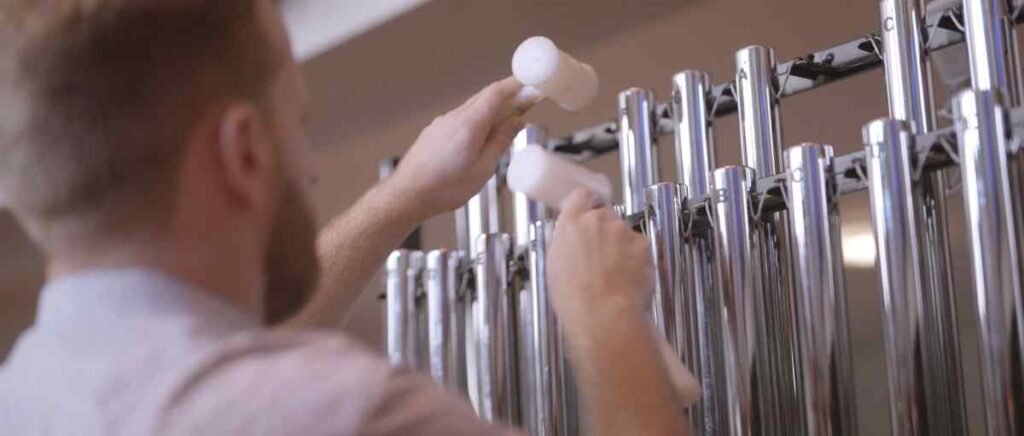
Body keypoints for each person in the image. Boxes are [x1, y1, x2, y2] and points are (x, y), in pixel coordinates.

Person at [0, 1, 690, 435]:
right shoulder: (346, 412)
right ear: (244, 151)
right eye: (299, 125)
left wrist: (405, 195)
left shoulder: (27, 389)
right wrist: (607, 318)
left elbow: (233, 357)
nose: (310, 169)